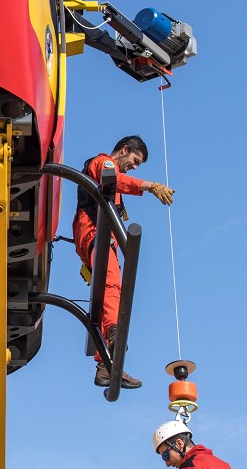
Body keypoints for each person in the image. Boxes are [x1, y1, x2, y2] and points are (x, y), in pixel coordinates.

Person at [72, 136, 174, 388]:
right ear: (125, 150)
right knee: (111, 287)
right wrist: (149, 186)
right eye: (135, 160)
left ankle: (104, 364)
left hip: (99, 235)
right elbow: (114, 180)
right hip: (95, 231)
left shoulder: (111, 176)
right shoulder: (104, 162)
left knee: (109, 293)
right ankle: (114, 334)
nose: (135, 167)